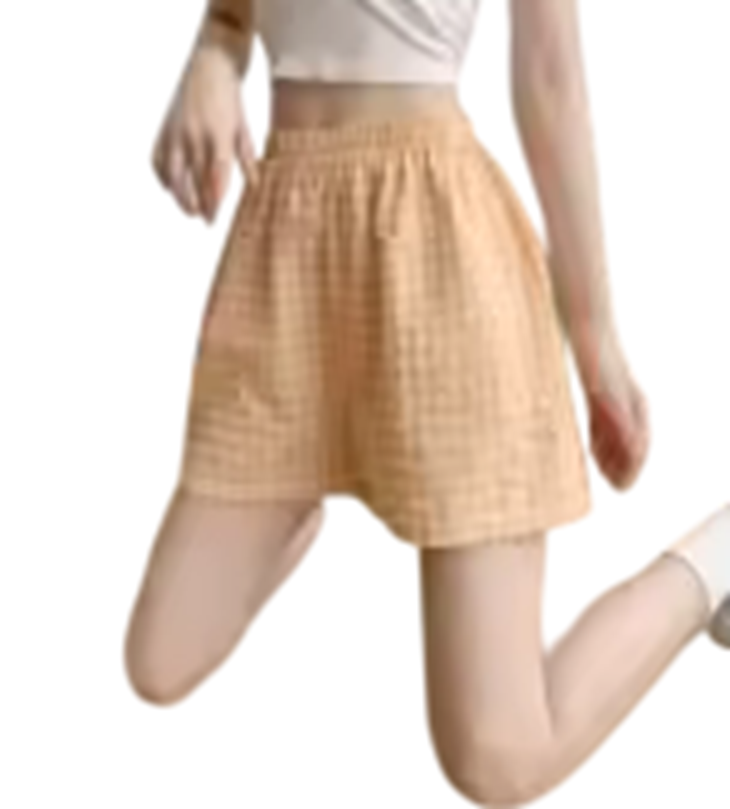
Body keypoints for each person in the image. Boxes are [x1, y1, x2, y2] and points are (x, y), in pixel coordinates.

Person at [123, 1, 730, 804]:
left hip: (441, 253)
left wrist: (596, 340)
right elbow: (236, 14)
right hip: (285, 248)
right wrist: (216, 51)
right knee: (159, 661)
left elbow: (551, 77)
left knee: (498, 755)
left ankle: (720, 555)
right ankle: (308, 477)